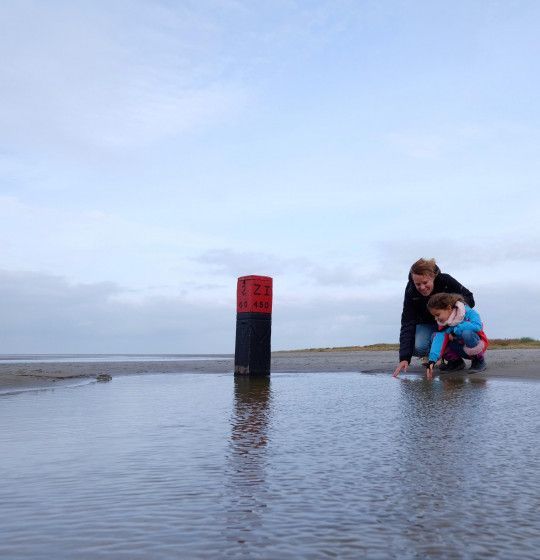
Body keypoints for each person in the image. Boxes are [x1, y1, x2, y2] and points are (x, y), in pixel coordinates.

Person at [392, 258, 475, 378]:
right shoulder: (410, 290)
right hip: (427, 324)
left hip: (449, 323)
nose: (422, 287)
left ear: (433, 276)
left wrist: (452, 309)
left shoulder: (445, 280)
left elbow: (469, 298)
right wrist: (404, 358)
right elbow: (407, 322)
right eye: (418, 284)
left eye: (425, 282)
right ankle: (449, 360)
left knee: (455, 335)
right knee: (418, 347)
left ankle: (458, 357)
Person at [424, 292, 489, 380]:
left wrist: (456, 330)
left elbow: (477, 326)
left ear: (449, 308)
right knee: (436, 336)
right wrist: (432, 361)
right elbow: (439, 341)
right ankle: (456, 362)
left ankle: (478, 360)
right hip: (459, 348)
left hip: (475, 345)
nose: (436, 319)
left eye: (437, 315)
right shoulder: (444, 322)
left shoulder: (469, 312)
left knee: (467, 333)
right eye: (434, 316)